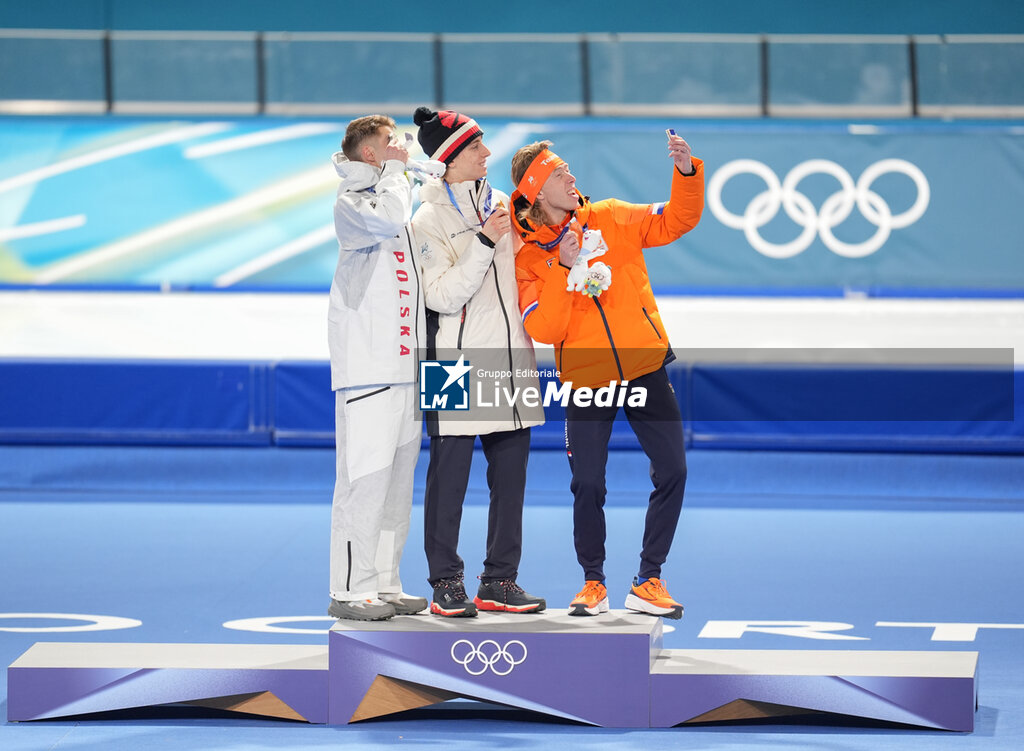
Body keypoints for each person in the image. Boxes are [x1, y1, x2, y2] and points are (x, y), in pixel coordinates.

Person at [511, 132, 704, 619]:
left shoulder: (612, 216)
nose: (572, 177)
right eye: (560, 173)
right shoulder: (529, 257)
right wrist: (563, 267)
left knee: (674, 470)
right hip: (586, 378)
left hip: (644, 367)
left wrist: (685, 173)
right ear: (538, 191)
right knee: (588, 483)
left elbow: (677, 220)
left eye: (568, 169)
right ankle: (593, 582)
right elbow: (544, 327)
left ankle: (649, 578)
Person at [412, 106, 546, 617]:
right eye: (475, 147)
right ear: (449, 159)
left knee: (511, 483)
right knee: (448, 484)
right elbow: (442, 296)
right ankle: (445, 582)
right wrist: (485, 241)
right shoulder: (426, 221)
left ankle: (499, 580)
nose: (487, 153)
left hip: (510, 360)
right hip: (451, 364)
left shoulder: (503, 204)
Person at [326, 115, 428, 621]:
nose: (403, 148)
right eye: (392, 143)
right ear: (370, 154)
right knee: (363, 483)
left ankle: (385, 581)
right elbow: (387, 217)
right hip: (367, 370)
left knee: (396, 488)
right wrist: (397, 173)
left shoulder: (398, 195)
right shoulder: (352, 203)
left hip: (408, 368)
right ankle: (350, 589)